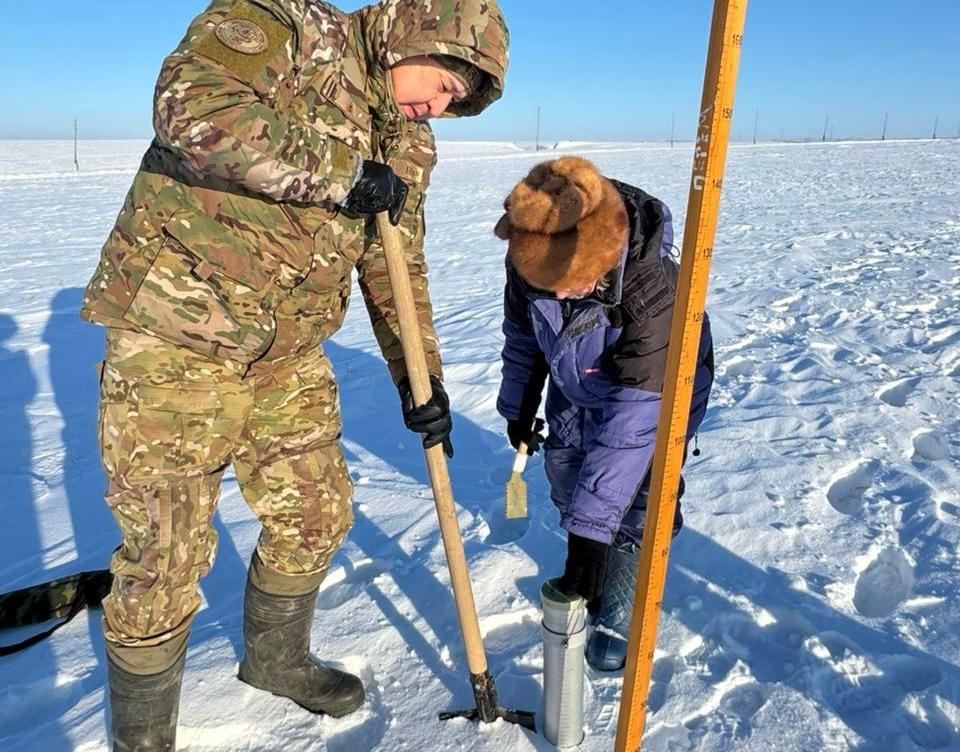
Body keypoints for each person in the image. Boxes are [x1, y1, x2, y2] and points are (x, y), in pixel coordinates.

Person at [80, 0, 508, 748]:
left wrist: (421, 374)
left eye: (453, 103)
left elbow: (393, 259)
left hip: (288, 353)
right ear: (416, 35)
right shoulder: (290, 27)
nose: (438, 106)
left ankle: (275, 661)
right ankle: (143, 741)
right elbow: (191, 109)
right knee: (166, 556)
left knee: (316, 515)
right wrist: (342, 173)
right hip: (177, 339)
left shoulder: (408, 142)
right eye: (442, 84)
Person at [494, 157, 714, 671]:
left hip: (654, 395)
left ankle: (620, 587)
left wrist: (587, 542)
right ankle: (594, 551)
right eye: (548, 286)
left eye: (572, 285)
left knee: (637, 491)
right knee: (567, 467)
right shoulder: (532, 257)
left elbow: (630, 430)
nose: (560, 295)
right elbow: (524, 336)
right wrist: (518, 404)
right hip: (578, 376)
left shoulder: (653, 291)